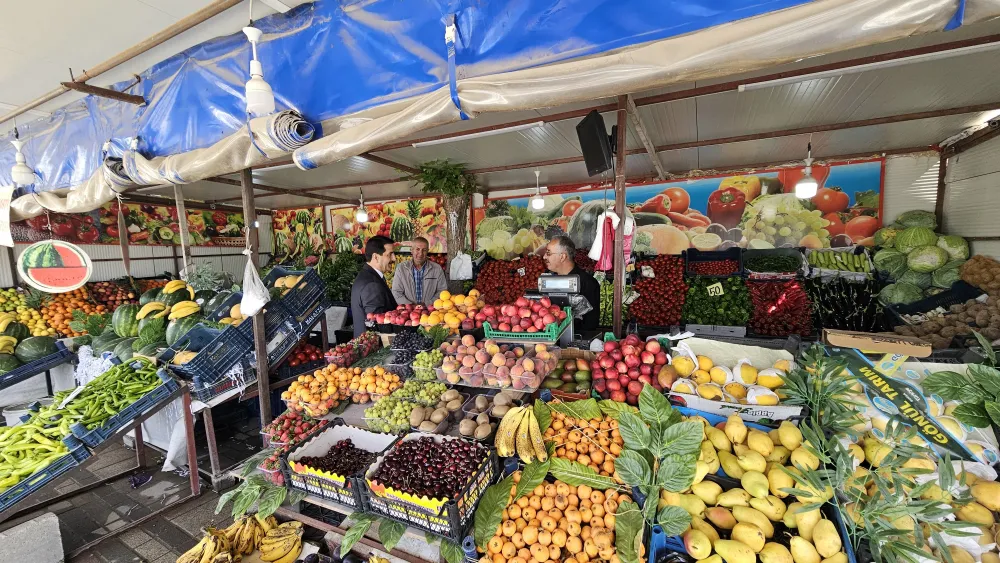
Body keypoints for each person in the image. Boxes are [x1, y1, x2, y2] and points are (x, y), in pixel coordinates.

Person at [542, 235, 600, 331]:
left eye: (548, 253)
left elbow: (591, 324)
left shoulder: (588, 283)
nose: (544, 257)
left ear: (562, 257)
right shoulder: (547, 281)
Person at [350, 235, 398, 338]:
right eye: (390, 254)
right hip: (375, 348)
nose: (394, 258)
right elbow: (377, 325)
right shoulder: (372, 284)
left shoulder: (366, 275)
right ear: (376, 257)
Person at [391, 237, 449, 306]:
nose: (420, 253)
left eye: (424, 250)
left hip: (431, 312)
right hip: (408, 312)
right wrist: (411, 306)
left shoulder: (436, 269)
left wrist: (427, 304)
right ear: (411, 250)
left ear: (428, 251)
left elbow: (442, 291)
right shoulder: (401, 268)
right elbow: (396, 292)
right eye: (417, 249)